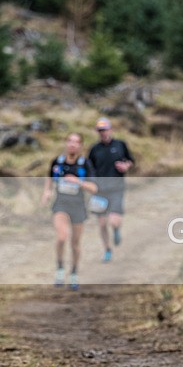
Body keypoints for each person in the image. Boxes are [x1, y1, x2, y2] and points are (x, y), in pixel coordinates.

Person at [40, 133, 98, 290]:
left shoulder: (85, 164)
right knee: (61, 237)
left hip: (78, 207)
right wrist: (47, 192)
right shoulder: (57, 162)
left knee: (75, 244)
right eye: (70, 141)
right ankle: (59, 269)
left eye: (76, 142)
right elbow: (49, 179)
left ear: (80, 146)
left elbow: (94, 188)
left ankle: (74, 272)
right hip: (60, 205)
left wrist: (78, 182)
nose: (72, 145)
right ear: (66, 143)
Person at [87, 117, 134, 263]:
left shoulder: (120, 145)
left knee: (113, 221)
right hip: (100, 191)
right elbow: (89, 168)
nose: (103, 133)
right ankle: (107, 250)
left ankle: (116, 230)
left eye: (105, 130)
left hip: (116, 189)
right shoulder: (94, 149)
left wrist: (126, 166)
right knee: (102, 223)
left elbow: (131, 160)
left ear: (110, 130)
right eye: (100, 131)